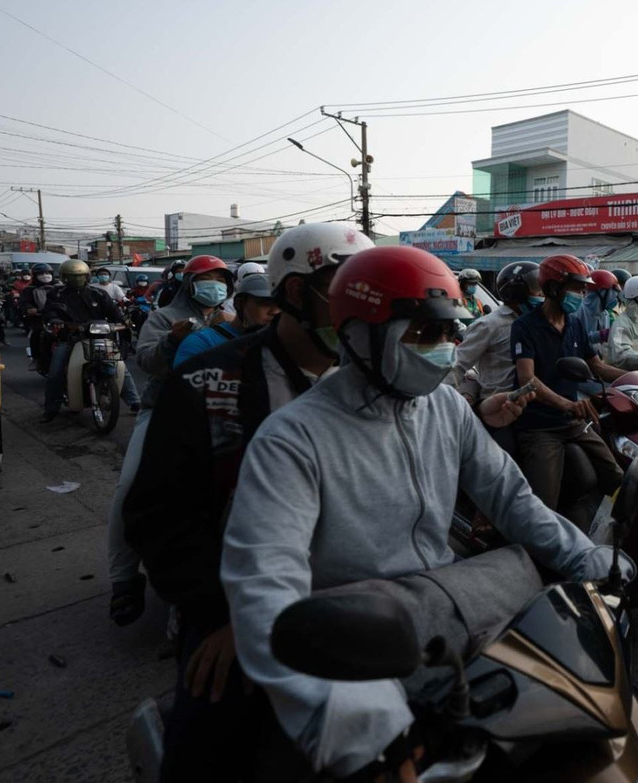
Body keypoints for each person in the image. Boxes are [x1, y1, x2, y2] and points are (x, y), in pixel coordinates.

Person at [219, 245, 623, 781]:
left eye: (449, 333)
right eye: (422, 335)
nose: (445, 350)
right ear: (361, 337)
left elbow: (511, 497)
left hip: (451, 613)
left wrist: (587, 558)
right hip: (356, 648)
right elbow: (265, 588)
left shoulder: (446, 408)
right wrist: (354, 721)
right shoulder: (292, 439)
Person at [123, 223, 372, 781]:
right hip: (232, 606)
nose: (357, 308)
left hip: (352, 597)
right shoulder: (209, 383)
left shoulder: (372, 377)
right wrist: (230, 615)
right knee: (212, 740)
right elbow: (159, 515)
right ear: (292, 293)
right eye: (340, 288)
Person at [105, 255, 235, 626]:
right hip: (165, 411)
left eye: (220, 280)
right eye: (206, 279)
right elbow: (146, 361)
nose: (215, 286)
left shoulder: (236, 314)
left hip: (226, 410)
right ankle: (124, 579)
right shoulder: (164, 318)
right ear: (189, 283)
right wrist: (172, 341)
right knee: (131, 485)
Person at [509, 254, 625, 524]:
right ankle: (536, 556)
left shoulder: (574, 324)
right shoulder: (524, 327)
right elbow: (527, 378)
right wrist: (567, 405)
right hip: (539, 427)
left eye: (584, 288)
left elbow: (597, 366)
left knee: (618, 477)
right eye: (576, 288)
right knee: (543, 506)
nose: (583, 293)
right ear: (552, 288)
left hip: (573, 421)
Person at [449, 260, 543, 452]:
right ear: (517, 291)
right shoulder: (490, 325)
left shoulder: (539, 322)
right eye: (535, 287)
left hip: (535, 407)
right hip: (499, 409)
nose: (541, 294)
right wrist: (449, 404)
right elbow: (457, 365)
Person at [39, 260, 141, 422]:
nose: (77, 279)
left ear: (87, 276)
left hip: (98, 336)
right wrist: (55, 320)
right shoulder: (56, 294)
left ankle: (135, 402)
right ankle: (51, 409)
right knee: (55, 373)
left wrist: (124, 321)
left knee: (120, 366)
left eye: (80, 276)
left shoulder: (98, 294)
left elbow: (114, 313)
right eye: (73, 276)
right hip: (70, 338)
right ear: (65, 278)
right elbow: (50, 312)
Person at [172, 273, 278, 367]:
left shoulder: (285, 342)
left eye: (280, 305)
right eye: (265, 303)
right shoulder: (202, 342)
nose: (275, 311)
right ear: (238, 303)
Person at [578, 269, 621, 353]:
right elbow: (574, 340)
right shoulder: (578, 311)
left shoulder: (605, 315)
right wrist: (600, 335)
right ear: (602, 292)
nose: (615, 298)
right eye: (613, 293)